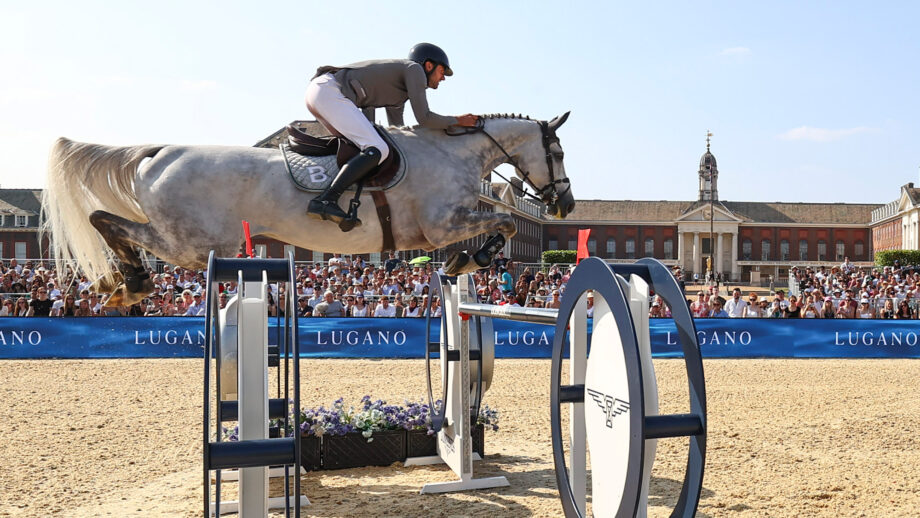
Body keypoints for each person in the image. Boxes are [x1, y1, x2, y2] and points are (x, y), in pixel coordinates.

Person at [305, 43, 478, 226]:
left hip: (322, 93)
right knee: (378, 148)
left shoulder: (398, 90)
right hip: (329, 92)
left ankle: (351, 202)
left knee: (374, 150)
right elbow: (424, 118)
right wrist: (457, 121)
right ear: (429, 66)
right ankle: (325, 200)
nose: (443, 78)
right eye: (442, 71)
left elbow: (397, 132)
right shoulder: (414, 70)